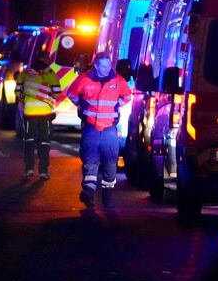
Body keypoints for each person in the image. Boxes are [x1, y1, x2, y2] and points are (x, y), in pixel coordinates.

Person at [67, 52, 132, 210]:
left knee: (110, 163)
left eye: (109, 65)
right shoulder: (84, 79)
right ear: (95, 65)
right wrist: (82, 106)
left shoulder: (117, 80)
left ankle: (107, 198)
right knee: (90, 161)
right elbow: (72, 94)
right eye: (103, 66)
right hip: (91, 129)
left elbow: (128, 96)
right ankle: (88, 192)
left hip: (109, 129)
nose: (107, 68)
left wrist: (115, 107)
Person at [15, 50, 62, 179]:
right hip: (45, 114)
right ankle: (43, 171)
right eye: (48, 59)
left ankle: (29, 170)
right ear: (45, 59)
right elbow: (57, 93)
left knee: (29, 142)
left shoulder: (24, 73)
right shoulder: (50, 74)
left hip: (29, 114)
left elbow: (18, 92)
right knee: (44, 143)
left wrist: (24, 102)